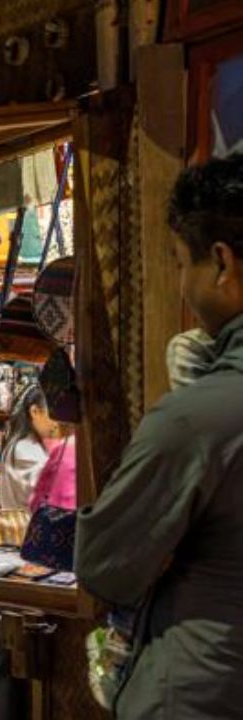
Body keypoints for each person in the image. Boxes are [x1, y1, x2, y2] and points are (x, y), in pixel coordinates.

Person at [76, 154, 243, 718]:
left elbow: (106, 563)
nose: (182, 285)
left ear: (221, 263)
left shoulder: (199, 417)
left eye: (180, 264)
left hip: (200, 691)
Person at [0, 385, 57, 510]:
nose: (57, 422)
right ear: (35, 412)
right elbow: (49, 490)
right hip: (28, 526)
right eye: (53, 414)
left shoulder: (23, 445)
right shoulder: (24, 448)